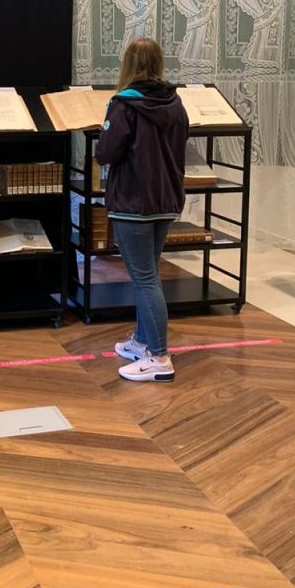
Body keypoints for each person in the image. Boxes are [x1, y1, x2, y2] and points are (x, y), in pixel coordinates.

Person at [95, 37, 189, 382]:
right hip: (165, 199)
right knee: (148, 274)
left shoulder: (124, 104)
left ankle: (159, 358)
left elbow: (106, 153)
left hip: (133, 202)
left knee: (145, 278)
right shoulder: (176, 103)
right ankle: (143, 341)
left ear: (128, 64)